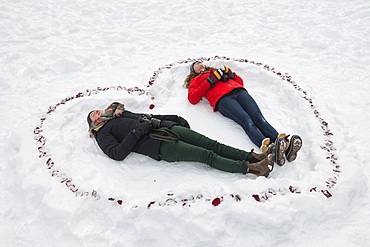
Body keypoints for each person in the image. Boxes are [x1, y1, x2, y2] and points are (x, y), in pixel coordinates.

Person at [87, 102, 278, 177]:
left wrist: (172, 118)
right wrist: (137, 132)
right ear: (93, 124)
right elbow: (116, 154)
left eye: (95, 110)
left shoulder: (119, 113)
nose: (95, 113)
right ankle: (253, 169)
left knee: (213, 144)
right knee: (206, 155)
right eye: (92, 116)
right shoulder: (102, 133)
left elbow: (145, 115)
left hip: (166, 128)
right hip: (158, 144)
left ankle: (255, 157)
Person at [184, 61, 302, 166]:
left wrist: (230, 74)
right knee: (247, 121)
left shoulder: (216, 71)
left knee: (259, 118)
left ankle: (284, 146)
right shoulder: (196, 80)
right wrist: (210, 81)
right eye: (195, 64)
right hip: (223, 99)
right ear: (192, 71)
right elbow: (192, 98)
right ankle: (268, 148)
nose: (199, 63)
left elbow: (240, 82)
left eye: (200, 62)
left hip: (239, 92)